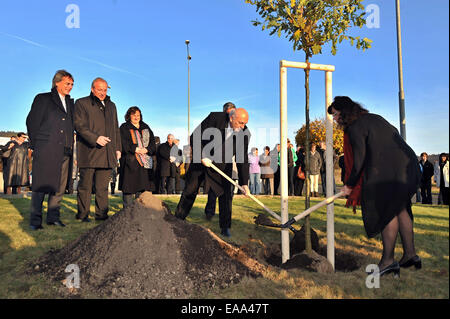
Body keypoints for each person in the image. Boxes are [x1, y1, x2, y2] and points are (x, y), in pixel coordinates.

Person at [329, 96, 421, 277]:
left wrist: (349, 185)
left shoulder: (355, 128)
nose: (334, 119)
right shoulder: (375, 118)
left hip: (389, 172)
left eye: (335, 114)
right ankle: (410, 255)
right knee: (401, 208)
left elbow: (359, 161)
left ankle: (387, 261)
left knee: (387, 210)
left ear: (344, 112)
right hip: (409, 168)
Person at [175, 108, 251, 237]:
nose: (243, 126)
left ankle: (225, 227)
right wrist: (201, 155)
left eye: (245, 123)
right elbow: (195, 136)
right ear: (231, 118)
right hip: (202, 160)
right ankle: (178, 218)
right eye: (240, 123)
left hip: (222, 165)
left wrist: (244, 183)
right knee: (190, 189)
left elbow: (242, 158)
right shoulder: (215, 118)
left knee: (226, 195)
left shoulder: (244, 133)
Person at [26, 70, 75, 229]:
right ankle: (35, 221)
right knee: (41, 186)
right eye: (67, 83)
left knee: (59, 188)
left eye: (72, 84)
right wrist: (37, 145)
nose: (70, 87)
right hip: (46, 148)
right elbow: (32, 122)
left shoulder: (70, 103)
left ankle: (53, 217)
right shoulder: (43, 98)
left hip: (65, 150)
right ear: (57, 83)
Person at [74, 77, 122, 222]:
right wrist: (95, 138)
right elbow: (79, 126)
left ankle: (102, 216)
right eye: (99, 89)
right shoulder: (81, 103)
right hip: (89, 152)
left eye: (105, 89)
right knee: (85, 187)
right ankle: (82, 215)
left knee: (102, 188)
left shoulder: (112, 106)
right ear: (92, 89)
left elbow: (115, 128)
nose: (102, 92)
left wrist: (118, 148)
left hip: (107, 153)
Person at [119, 106, 156, 208]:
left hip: (144, 164)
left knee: (142, 187)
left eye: (138, 115)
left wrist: (147, 149)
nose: (136, 117)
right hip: (130, 163)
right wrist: (135, 149)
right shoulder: (124, 127)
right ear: (129, 116)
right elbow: (122, 142)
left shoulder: (146, 127)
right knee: (129, 188)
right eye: (134, 115)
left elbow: (153, 142)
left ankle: (139, 210)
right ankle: (127, 211)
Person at [204, 102, 236, 220]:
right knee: (213, 190)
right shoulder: (216, 125)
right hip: (214, 162)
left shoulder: (237, 128)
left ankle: (226, 215)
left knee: (228, 192)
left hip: (227, 164)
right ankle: (209, 212)